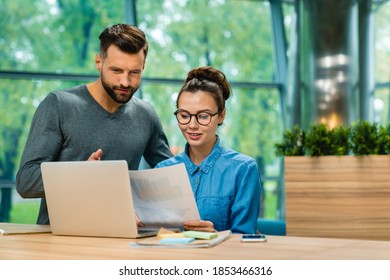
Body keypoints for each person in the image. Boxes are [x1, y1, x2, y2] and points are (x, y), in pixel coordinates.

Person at [16, 24, 173, 225]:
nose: (125, 82)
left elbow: (170, 177)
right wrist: (82, 174)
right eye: (116, 70)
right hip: (60, 239)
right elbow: (26, 182)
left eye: (134, 72)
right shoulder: (59, 105)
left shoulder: (146, 114)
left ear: (143, 67)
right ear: (99, 62)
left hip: (121, 236)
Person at [156, 66, 261, 234]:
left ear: (221, 116)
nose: (192, 125)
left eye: (203, 116)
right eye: (184, 115)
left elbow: (245, 239)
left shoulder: (243, 170)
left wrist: (215, 235)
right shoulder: (162, 170)